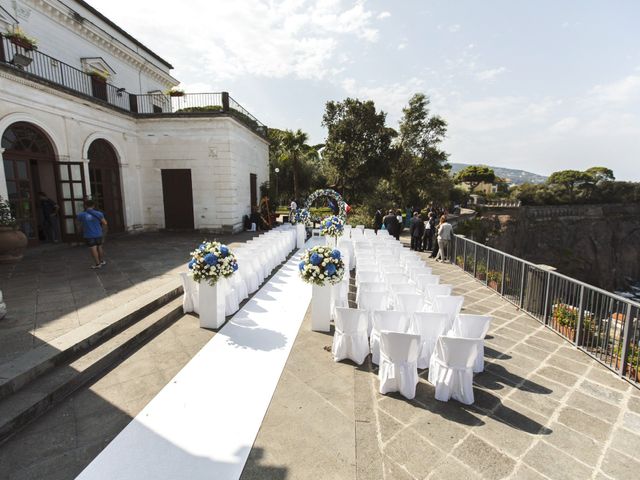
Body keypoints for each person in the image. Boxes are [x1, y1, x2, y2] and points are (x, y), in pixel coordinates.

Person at [77, 200, 107, 269]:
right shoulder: (99, 213)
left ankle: (97, 264)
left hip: (89, 234)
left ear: (85, 206)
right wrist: (103, 231)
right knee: (99, 247)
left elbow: (78, 225)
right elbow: (105, 223)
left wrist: (79, 231)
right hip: (98, 233)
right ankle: (101, 261)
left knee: (93, 248)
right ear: (93, 206)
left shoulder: (81, 215)